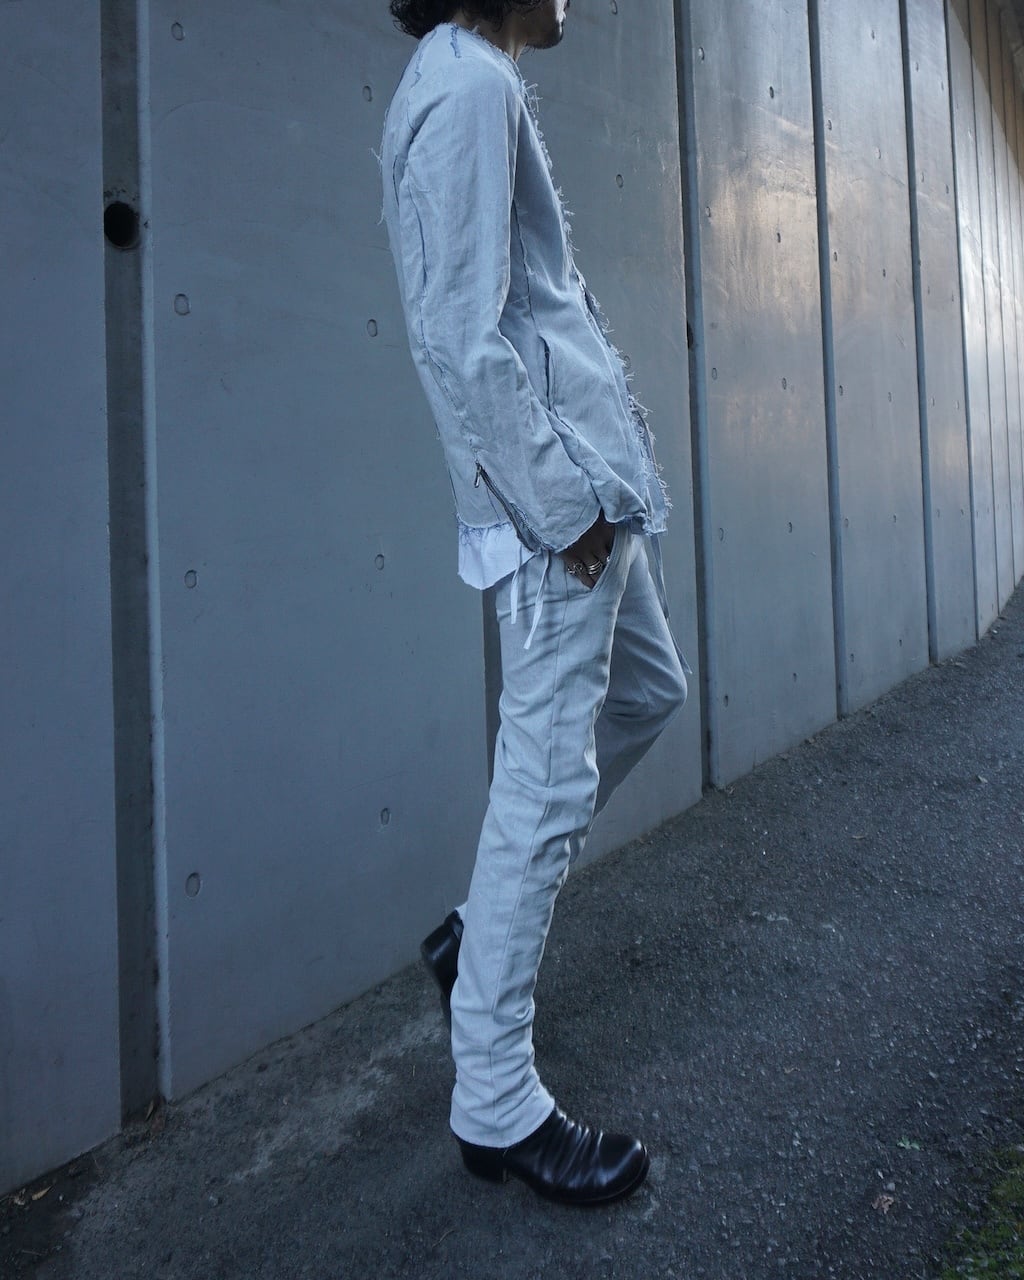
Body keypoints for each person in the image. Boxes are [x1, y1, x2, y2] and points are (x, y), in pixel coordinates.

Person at [381, 0, 689, 1206]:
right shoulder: (465, 88)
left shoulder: (468, 76)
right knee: (544, 783)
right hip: (557, 509)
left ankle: (475, 931)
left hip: (585, 491)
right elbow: (458, 337)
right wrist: (562, 508)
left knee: (647, 692)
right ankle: (495, 1100)